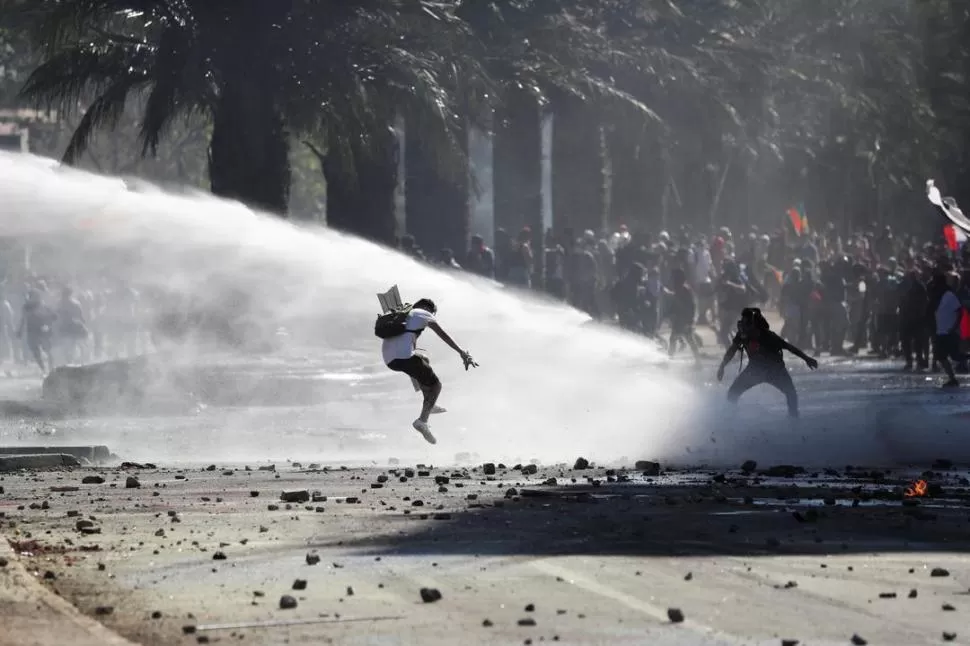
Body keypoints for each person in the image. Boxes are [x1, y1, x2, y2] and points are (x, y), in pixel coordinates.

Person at [380, 298, 474, 444]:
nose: (433, 315)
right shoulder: (423, 313)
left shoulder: (405, 315)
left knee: (423, 359)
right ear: (428, 308)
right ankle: (422, 421)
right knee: (436, 386)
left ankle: (430, 403)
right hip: (404, 358)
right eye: (433, 312)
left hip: (390, 360)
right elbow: (443, 334)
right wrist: (461, 352)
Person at [716, 307, 818, 418]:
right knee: (732, 393)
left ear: (755, 325)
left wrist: (807, 358)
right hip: (754, 370)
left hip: (776, 371)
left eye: (747, 323)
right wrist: (722, 366)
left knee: (791, 393)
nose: (743, 327)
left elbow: (788, 347)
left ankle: (794, 419)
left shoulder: (768, 336)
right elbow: (732, 350)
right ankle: (729, 419)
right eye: (742, 322)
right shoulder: (742, 335)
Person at [933, 272, 962, 388]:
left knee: (954, 356)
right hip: (941, 330)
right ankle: (952, 378)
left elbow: (959, 312)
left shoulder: (949, 295)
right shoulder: (940, 296)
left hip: (948, 331)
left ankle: (953, 378)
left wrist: (955, 327)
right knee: (943, 356)